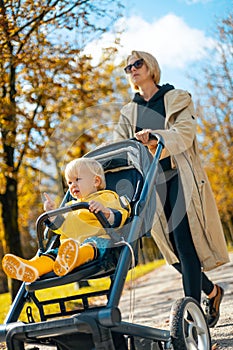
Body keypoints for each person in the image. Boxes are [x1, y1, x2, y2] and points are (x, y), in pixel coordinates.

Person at [113, 50, 229, 328]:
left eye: (137, 64)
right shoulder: (128, 112)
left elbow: (185, 133)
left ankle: (191, 317)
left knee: (184, 244)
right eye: (128, 68)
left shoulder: (176, 98)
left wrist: (155, 138)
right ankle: (212, 292)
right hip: (152, 186)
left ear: (151, 66)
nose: (132, 70)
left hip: (178, 176)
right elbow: (119, 145)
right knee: (172, 252)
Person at [2, 158, 130, 283]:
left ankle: (76, 257)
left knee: (93, 244)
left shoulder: (106, 197)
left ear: (96, 181)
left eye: (77, 179)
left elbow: (121, 215)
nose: (72, 185)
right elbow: (60, 227)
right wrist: (51, 214)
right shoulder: (70, 206)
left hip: (101, 246)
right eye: (69, 183)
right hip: (68, 249)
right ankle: (33, 267)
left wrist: (106, 212)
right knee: (53, 254)